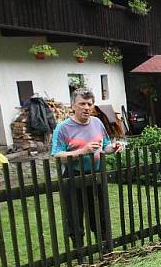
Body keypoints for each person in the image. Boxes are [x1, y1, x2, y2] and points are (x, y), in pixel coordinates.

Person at [51, 88, 123, 248]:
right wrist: (82, 151)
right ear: (73, 106)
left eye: (89, 104)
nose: (86, 107)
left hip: (96, 175)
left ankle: (105, 248)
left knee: (99, 214)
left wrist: (114, 147)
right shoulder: (63, 128)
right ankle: (79, 251)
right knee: (75, 216)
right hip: (73, 177)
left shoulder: (97, 123)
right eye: (82, 103)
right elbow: (56, 155)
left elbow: (104, 147)